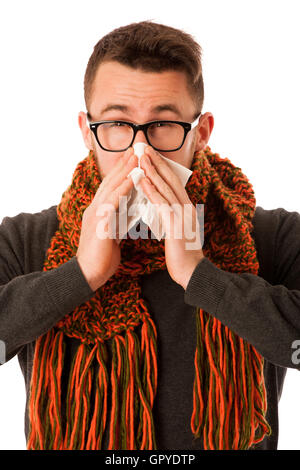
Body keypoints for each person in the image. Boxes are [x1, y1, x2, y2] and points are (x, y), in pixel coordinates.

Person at [0, 20, 300, 452]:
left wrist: (200, 276)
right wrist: (80, 273)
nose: (142, 151)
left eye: (163, 124)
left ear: (200, 133)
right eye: (118, 125)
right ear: (88, 132)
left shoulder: (270, 235)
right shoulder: (27, 239)